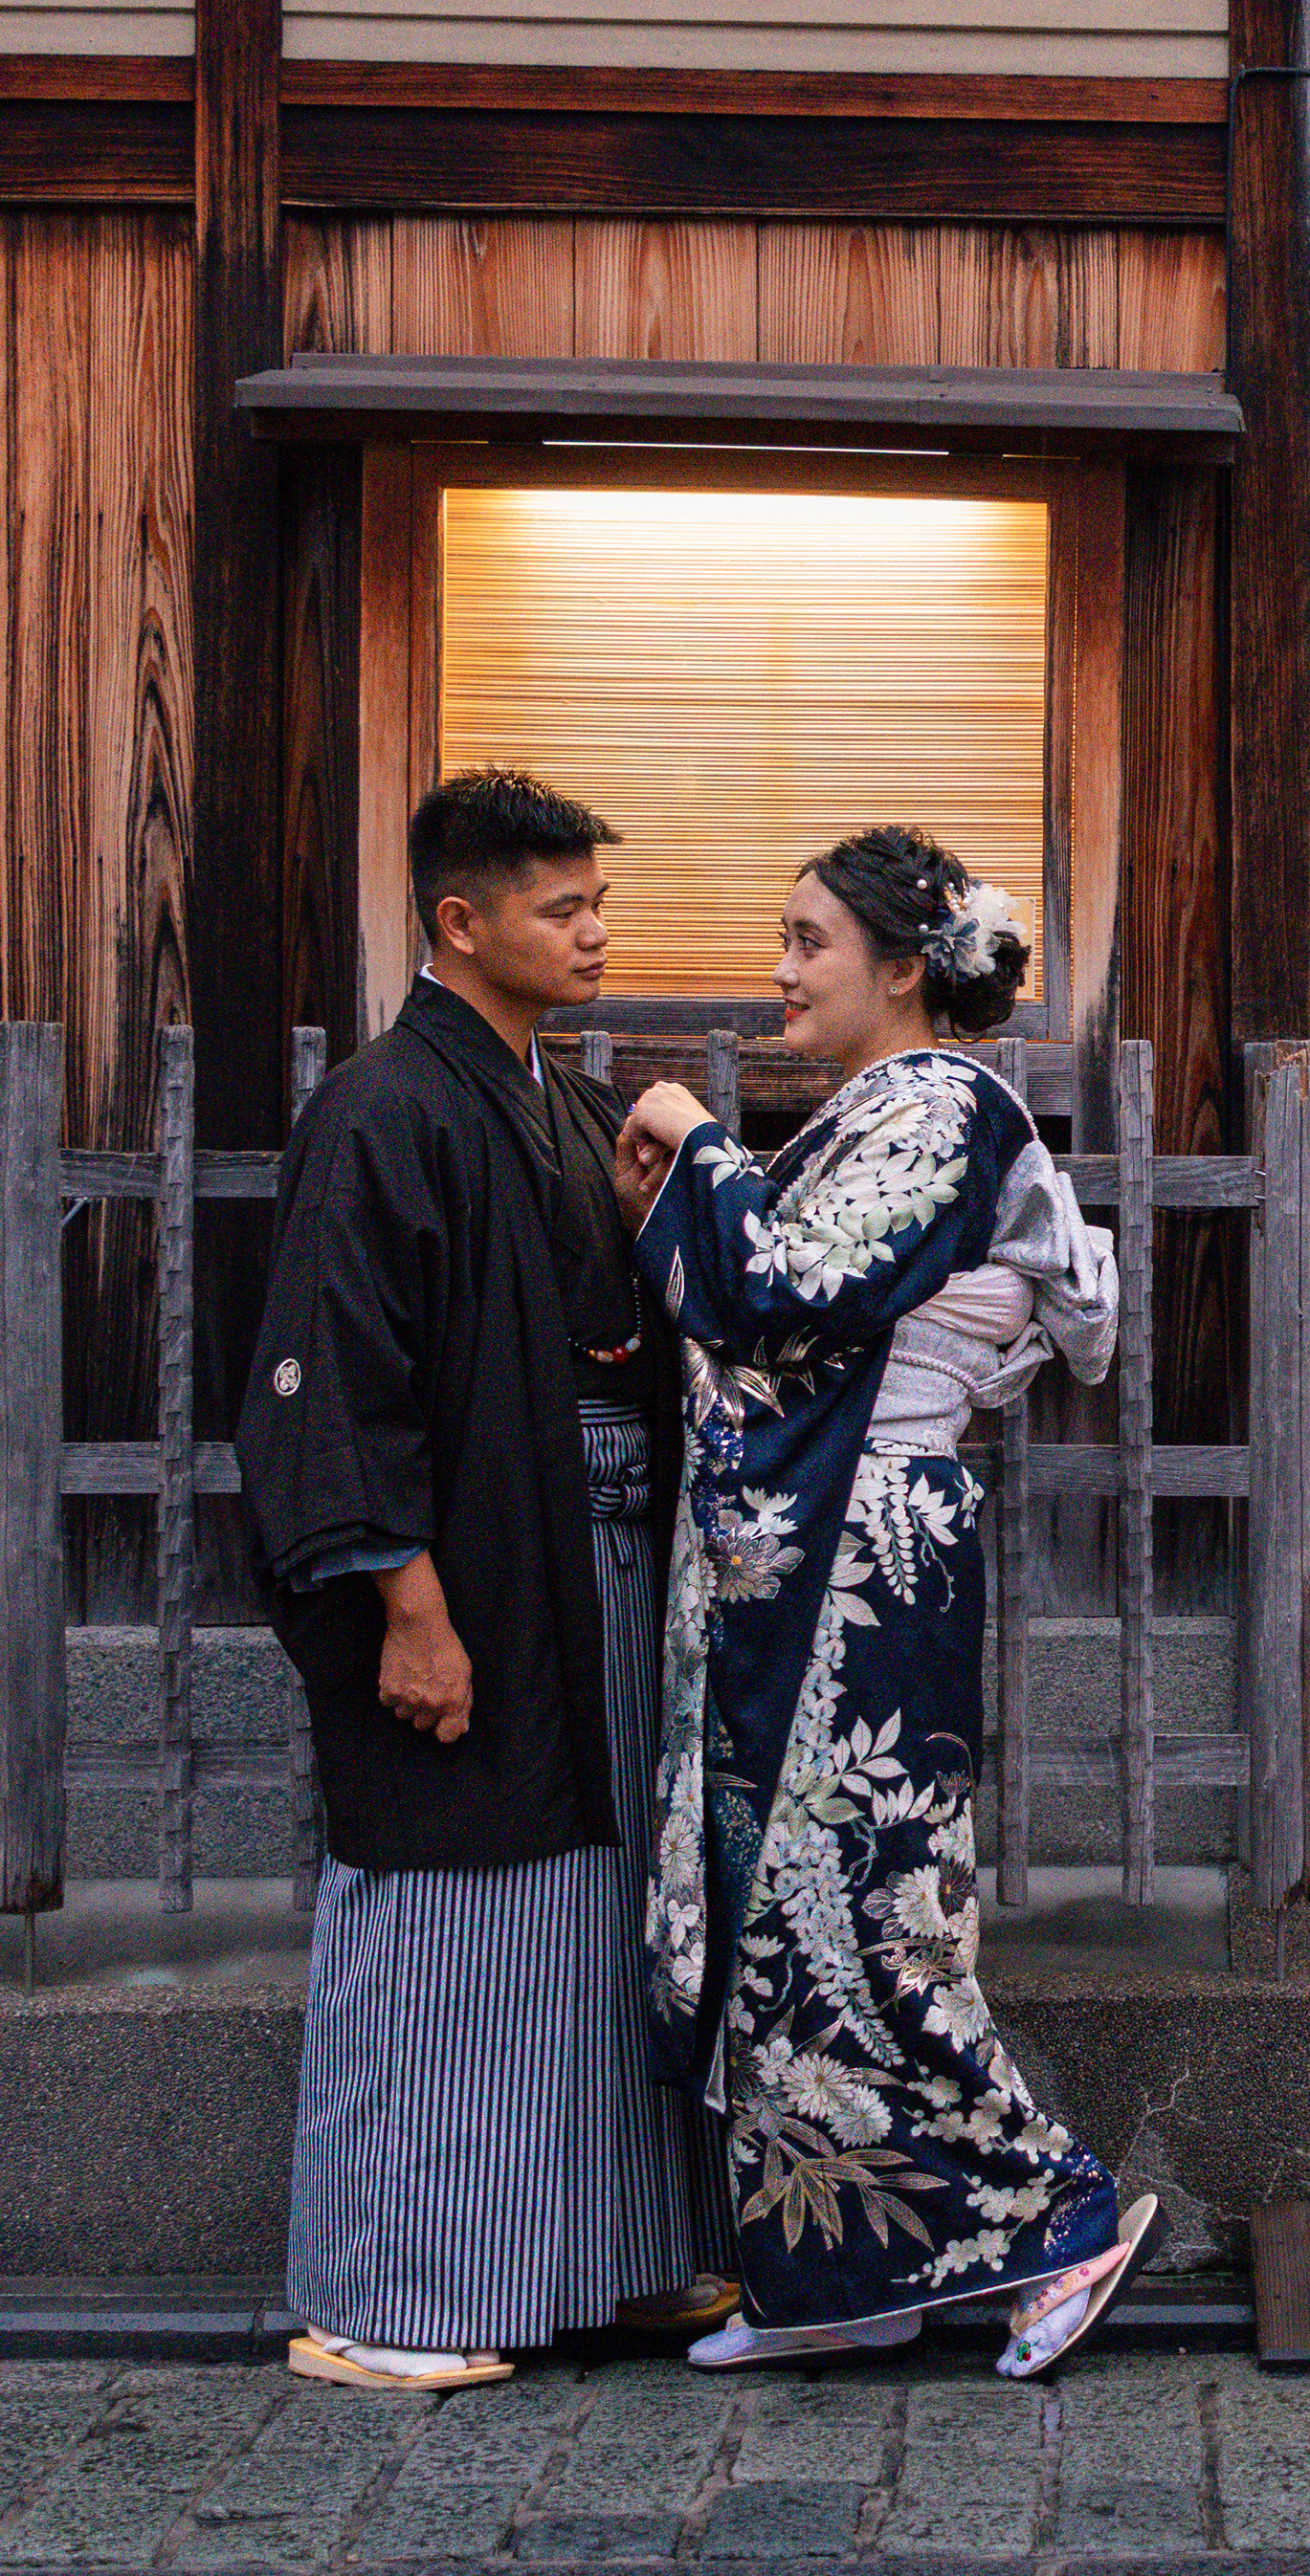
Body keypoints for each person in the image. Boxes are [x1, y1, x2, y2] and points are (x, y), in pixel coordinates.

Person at [611, 825, 1158, 2379]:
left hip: (866, 1556)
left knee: (870, 1914)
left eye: (808, 943)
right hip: (813, 1551)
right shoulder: (879, 1108)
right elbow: (760, 1295)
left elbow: (786, 1290)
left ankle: (1058, 2213)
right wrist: (707, 1191)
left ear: (903, 965)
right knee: (790, 1917)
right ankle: (839, 2279)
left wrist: (697, 1146)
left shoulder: (948, 1106)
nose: (779, 972)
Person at [240, 766, 736, 2390]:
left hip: (586, 1561)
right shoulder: (383, 1109)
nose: (596, 933)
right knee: (456, 1918)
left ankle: (597, 2258)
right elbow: (338, 1376)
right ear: (462, 923)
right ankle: (391, 2298)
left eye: (598, 903)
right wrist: (409, 1605)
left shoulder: (563, 1104)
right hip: (469, 1570)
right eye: (561, 908)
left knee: (596, 1917)